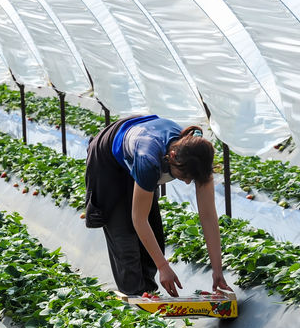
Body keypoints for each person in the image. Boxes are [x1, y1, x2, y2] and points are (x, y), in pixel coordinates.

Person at [85, 115, 231, 297]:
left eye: (191, 179)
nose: (187, 182)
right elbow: (139, 219)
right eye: (183, 175)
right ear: (171, 157)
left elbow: (208, 217)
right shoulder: (148, 159)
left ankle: (147, 293)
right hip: (108, 160)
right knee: (124, 237)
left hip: (138, 148)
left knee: (154, 232)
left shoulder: (199, 160)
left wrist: (217, 270)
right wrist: (163, 266)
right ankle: (134, 296)